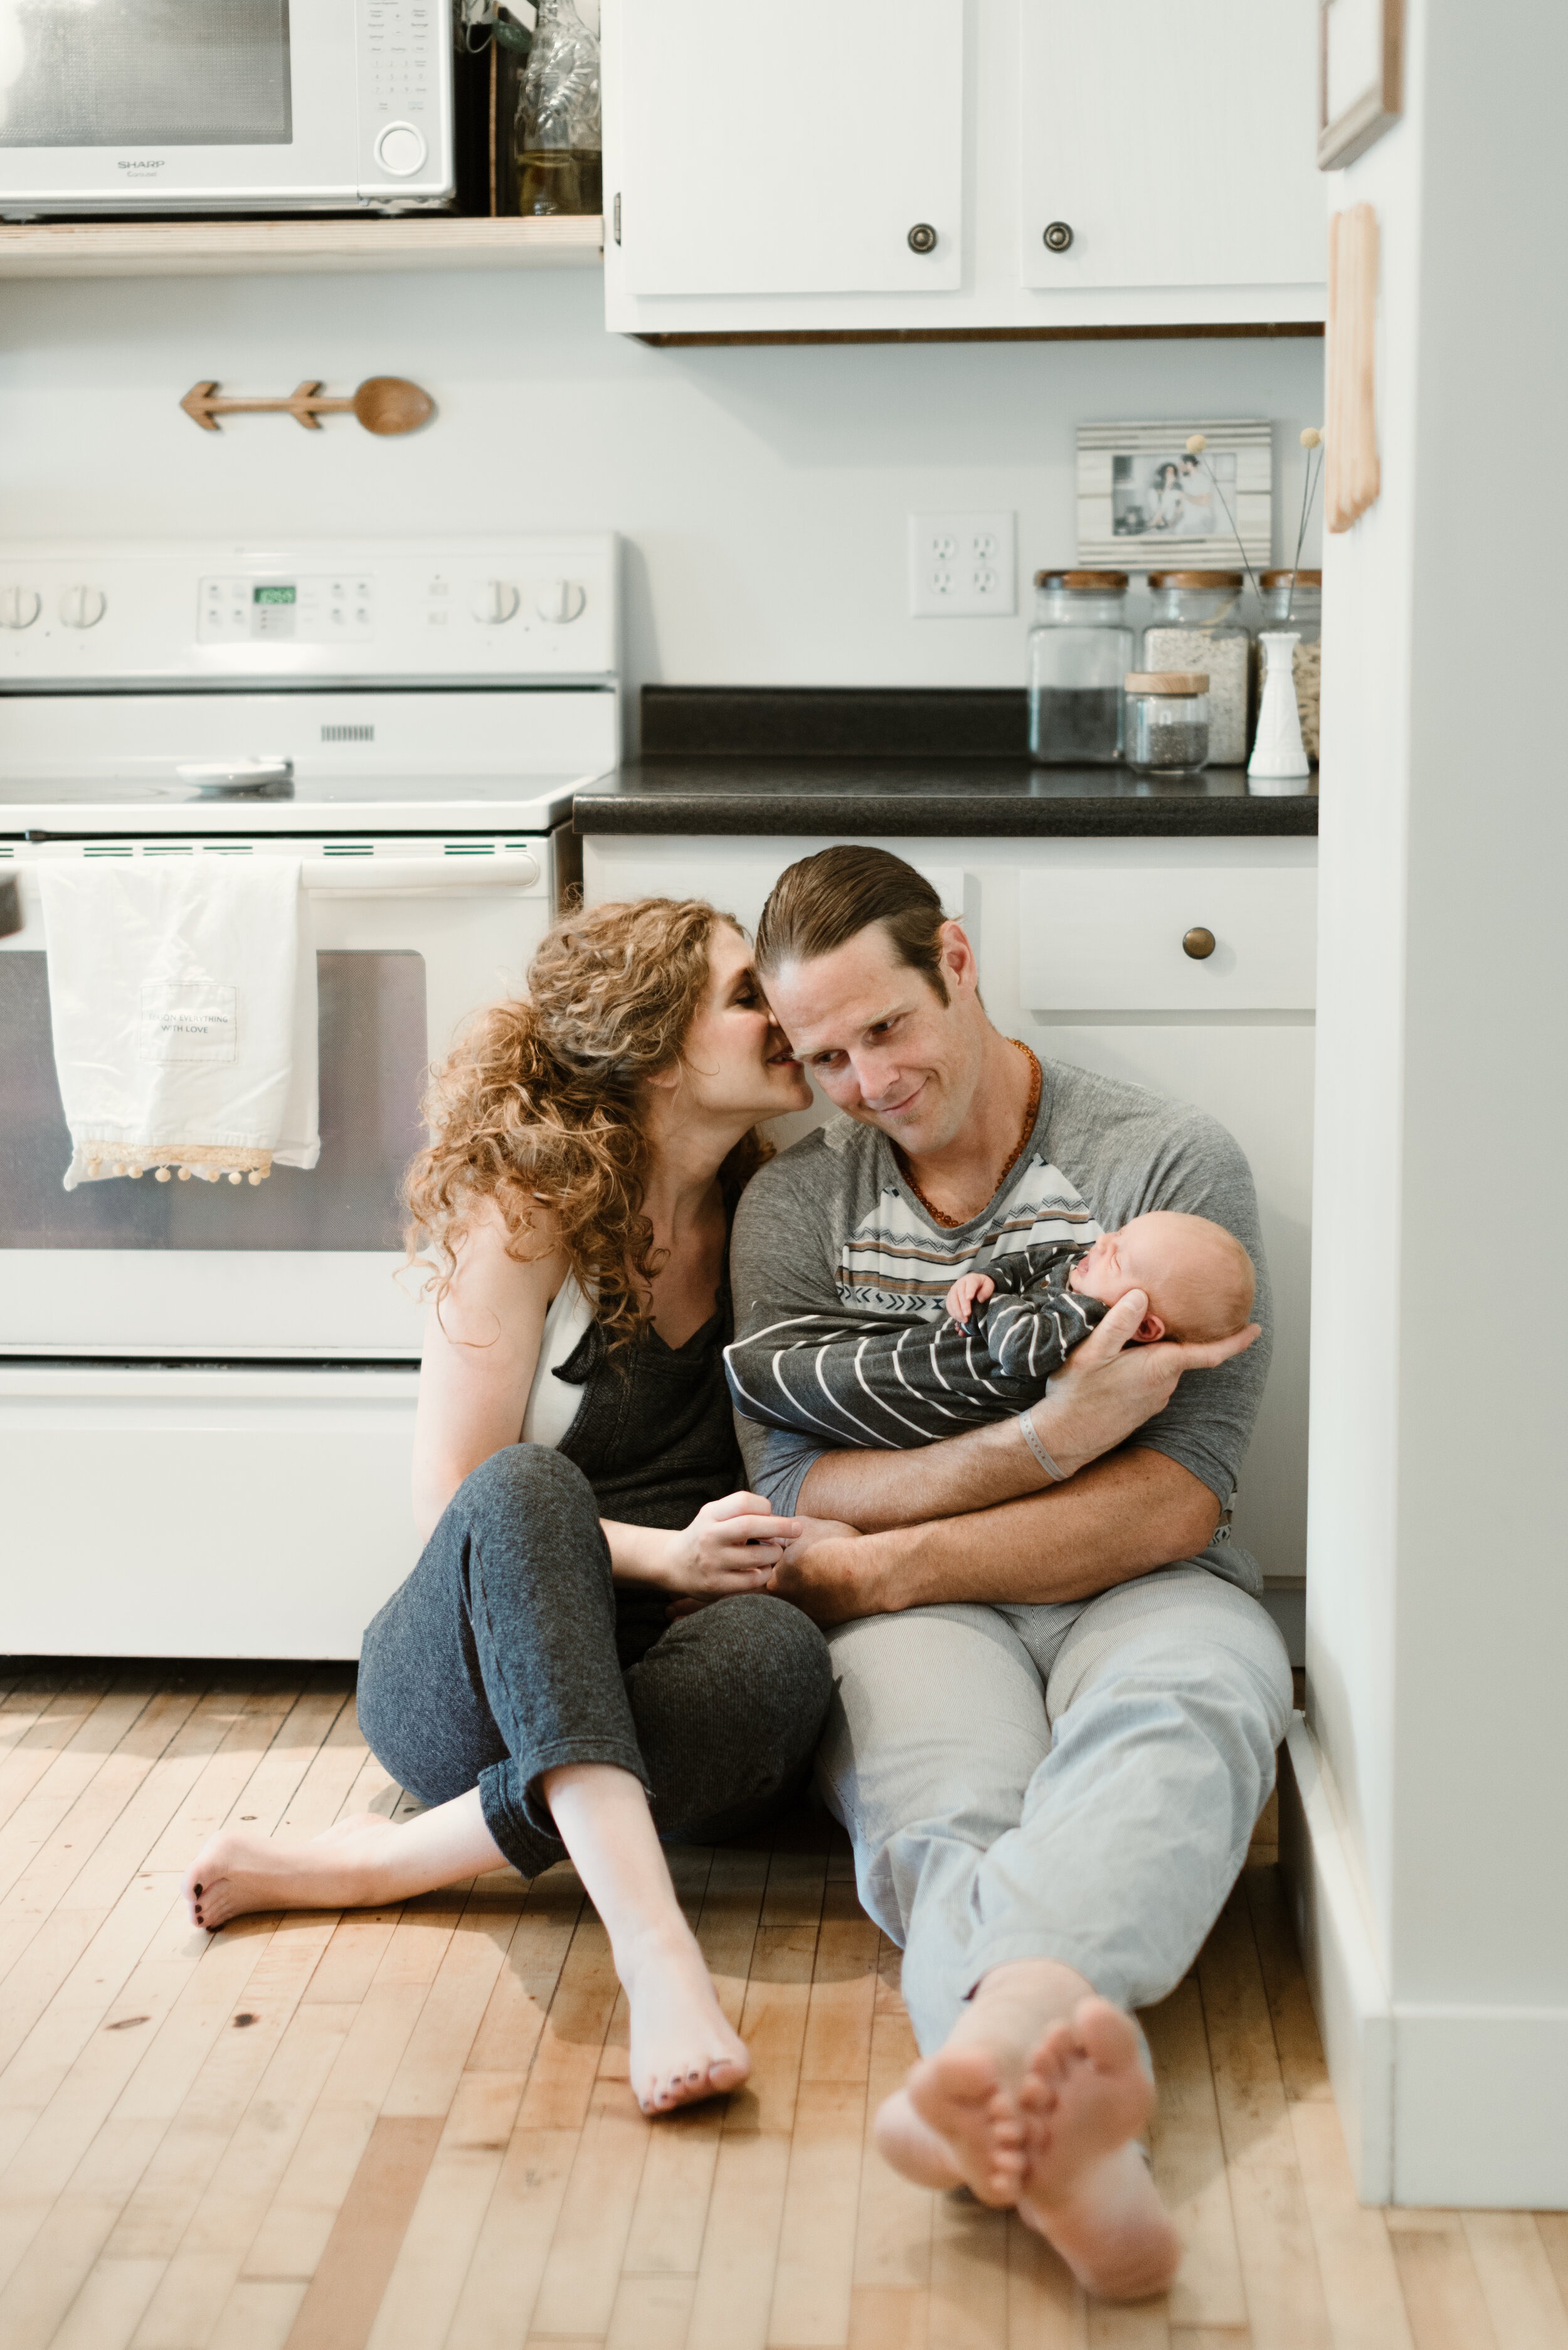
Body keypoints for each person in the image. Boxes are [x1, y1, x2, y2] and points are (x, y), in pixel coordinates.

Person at [729, 845, 1293, 2301]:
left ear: (960, 963)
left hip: (1117, 1581)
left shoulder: (1163, 1164)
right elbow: (795, 1485)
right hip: (933, 1606)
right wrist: (1048, 1442)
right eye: (824, 1054)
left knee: (1189, 1709)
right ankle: (1061, 2093)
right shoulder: (792, 1208)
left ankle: (1001, 2046)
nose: (866, 1081)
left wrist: (892, 1558)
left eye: (889, 1029)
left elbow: (1177, 1500)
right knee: (941, 1793)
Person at [181, 898, 834, 2118]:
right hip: (470, 1675)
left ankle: (390, 1859)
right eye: (748, 995)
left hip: (652, 1678)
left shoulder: (771, 1211)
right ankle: (657, 1956)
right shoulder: (532, 1208)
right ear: (653, 1043)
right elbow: (452, 1494)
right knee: (530, 1482)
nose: (786, 1015)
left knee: (786, 1656)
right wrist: (671, 1554)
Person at [724, 1210, 1254, 1451]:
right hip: (946, 1336)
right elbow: (1028, 1261)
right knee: (857, 1339)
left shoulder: (1088, 1319)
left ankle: (761, 1376)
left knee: (848, 1379)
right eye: (1118, 1232)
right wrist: (986, 1279)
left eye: (1122, 1258)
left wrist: (991, 1306)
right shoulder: (1081, 1265)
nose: (1104, 1243)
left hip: (961, 1382)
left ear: (1143, 1326)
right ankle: (763, 1362)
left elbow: (1020, 1350)